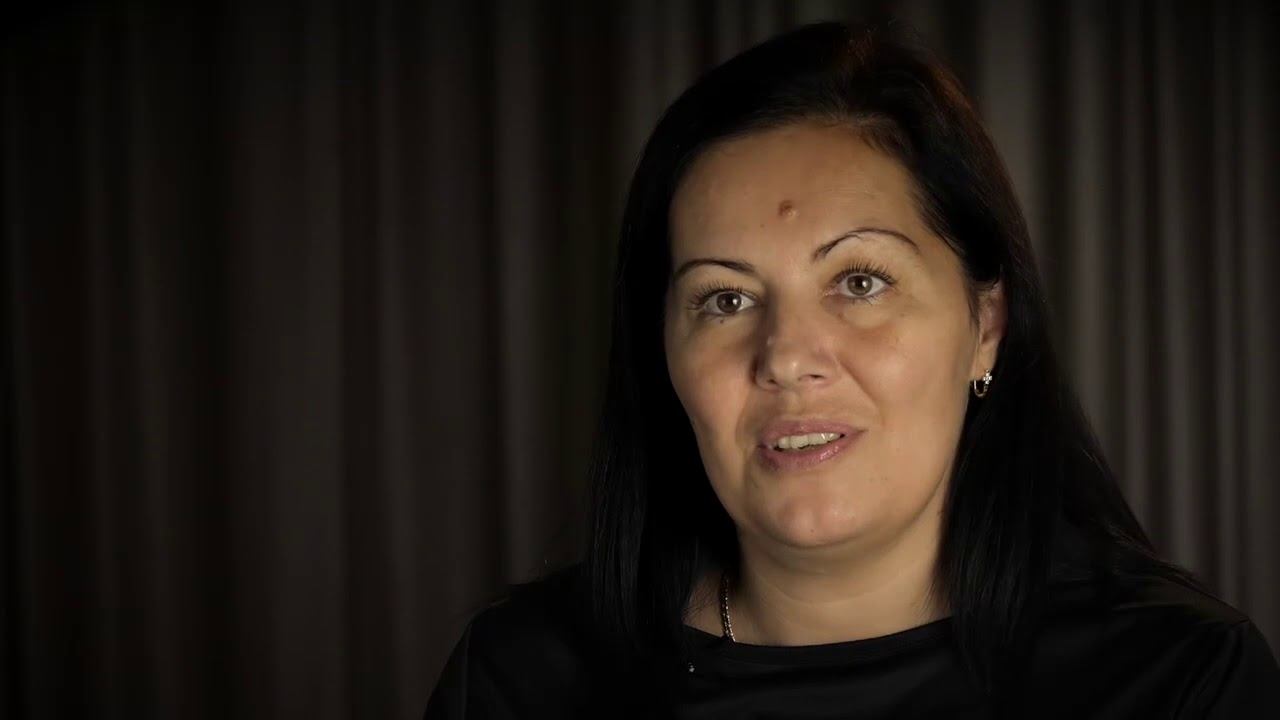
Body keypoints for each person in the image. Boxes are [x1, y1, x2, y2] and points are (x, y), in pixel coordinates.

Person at [424, 20, 1280, 718]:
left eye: (860, 282)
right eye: (725, 299)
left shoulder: (1178, 681)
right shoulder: (521, 682)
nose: (788, 357)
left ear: (986, 325)